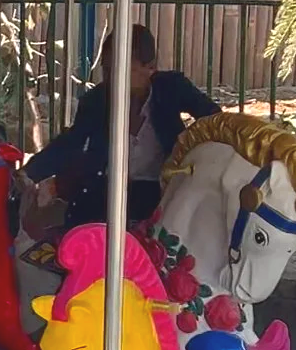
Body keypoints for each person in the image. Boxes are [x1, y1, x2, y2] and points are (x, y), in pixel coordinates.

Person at [24, 24, 220, 227]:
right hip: (107, 194)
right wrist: (30, 172)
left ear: (150, 67)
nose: (113, 79)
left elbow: (215, 120)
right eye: (108, 70)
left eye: (125, 70)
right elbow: (71, 142)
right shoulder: (96, 101)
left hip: (162, 194)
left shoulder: (171, 88)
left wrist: (189, 151)